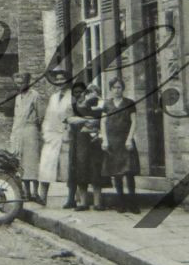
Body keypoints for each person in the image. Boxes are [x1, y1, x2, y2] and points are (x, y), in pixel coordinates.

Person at [100, 76, 138, 210]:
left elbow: (134, 122)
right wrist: (104, 139)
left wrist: (129, 139)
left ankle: (133, 203)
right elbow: (103, 122)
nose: (117, 90)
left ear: (123, 89)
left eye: (119, 87)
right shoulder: (107, 104)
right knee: (117, 173)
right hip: (112, 142)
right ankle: (121, 202)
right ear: (110, 89)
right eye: (114, 88)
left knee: (129, 172)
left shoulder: (129, 103)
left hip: (125, 140)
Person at [66, 78, 104, 211]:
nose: (88, 95)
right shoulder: (76, 106)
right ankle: (83, 202)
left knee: (95, 171)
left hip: (94, 141)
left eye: (94, 92)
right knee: (81, 170)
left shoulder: (99, 106)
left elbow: (101, 121)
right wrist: (85, 120)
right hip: (80, 141)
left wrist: (92, 123)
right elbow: (70, 120)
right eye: (88, 92)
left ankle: (97, 202)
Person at [37, 77, 71, 205]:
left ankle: (72, 198)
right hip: (51, 136)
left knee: (67, 168)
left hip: (65, 136)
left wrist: (68, 133)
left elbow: (72, 117)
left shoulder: (71, 97)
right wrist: (45, 133)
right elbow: (47, 117)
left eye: (63, 80)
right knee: (46, 166)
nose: (60, 83)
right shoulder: (53, 97)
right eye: (58, 81)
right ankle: (43, 197)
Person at [11, 72, 45, 201]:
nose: (20, 85)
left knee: (32, 161)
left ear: (28, 82)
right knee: (21, 161)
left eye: (22, 83)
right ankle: (26, 192)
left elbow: (40, 115)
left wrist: (36, 128)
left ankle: (35, 192)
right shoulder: (18, 97)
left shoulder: (35, 95)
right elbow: (16, 116)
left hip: (31, 130)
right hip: (18, 130)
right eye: (18, 83)